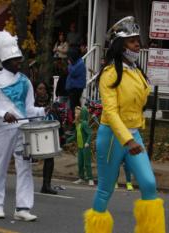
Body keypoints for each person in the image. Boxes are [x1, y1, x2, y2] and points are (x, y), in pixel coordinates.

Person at [84, 16, 166, 233]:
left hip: (133, 135)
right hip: (113, 137)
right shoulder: (110, 74)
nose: (137, 44)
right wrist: (127, 140)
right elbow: (110, 112)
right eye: (131, 41)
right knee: (105, 189)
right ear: (120, 46)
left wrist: (134, 135)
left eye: (137, 40)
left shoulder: (137, 71)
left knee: (149, 184)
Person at [0, 31, 49, 221]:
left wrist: (44, 111)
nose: (19, 63)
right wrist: (3, 114)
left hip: (23, 129)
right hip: (2, 130)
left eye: (19, 59)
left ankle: (23, 208)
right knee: (0, 167)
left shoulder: (25, 81)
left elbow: (28, 108)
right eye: (15, 60)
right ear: (5, 61)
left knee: (25, 167)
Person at [33, 81, 58, 195]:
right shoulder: (32, 104)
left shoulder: (52, 104)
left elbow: (57, 120)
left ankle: (46, 185)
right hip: (34, 134)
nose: (42, 91)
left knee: (50, 158)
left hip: (47, 134)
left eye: (44, 89)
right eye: (39, 88)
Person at [66, 106, 94, 186]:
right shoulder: (78, 124)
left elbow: (90, 133)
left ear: (82, 114)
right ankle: (81, 178)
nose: (75, 114)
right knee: (80, 163)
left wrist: (88, 142)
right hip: (80, 147)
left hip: (85, 147)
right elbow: (75, 135)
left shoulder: (84, 124)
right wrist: (68, 140)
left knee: (87, 163)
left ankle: (90, 178)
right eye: (75, 113)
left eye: (77, 113)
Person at [65, 47, 86, 115]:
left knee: (74, 105)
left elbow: (73, 72)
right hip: (73, 87)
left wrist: (69, 64)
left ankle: (77, 120)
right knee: (75, 105)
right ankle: (76, 119)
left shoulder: (80, 63)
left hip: (76, 87)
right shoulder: (76, 62)